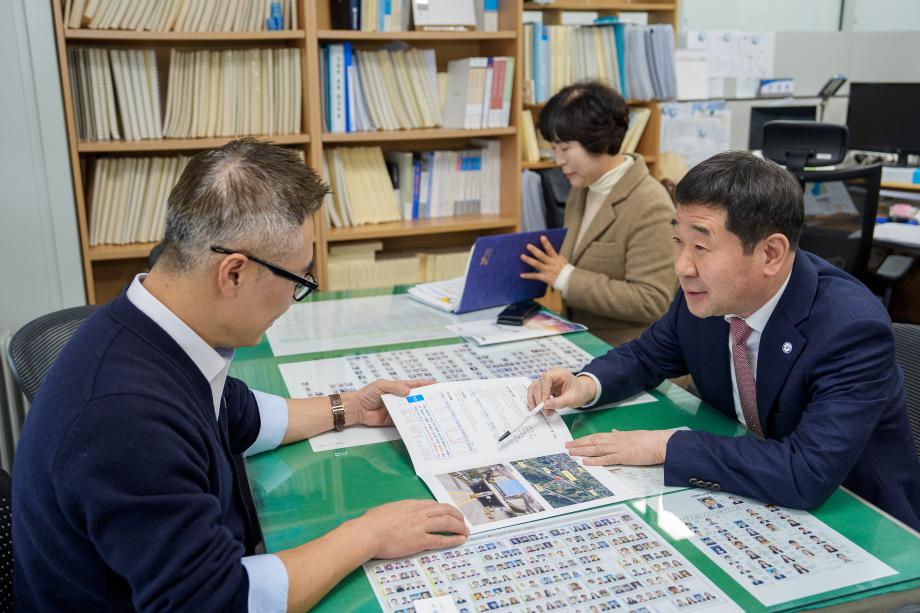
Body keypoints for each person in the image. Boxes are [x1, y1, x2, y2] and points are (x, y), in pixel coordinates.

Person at [13, 139, 468, 611]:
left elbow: (235, 412)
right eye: (299, 280)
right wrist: (368, 534)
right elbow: (219, 600)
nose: (296, 298)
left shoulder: (147, 327)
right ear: (233, 273)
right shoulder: (125, 418)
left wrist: (349, 406)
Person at [527, 150, 920, 530]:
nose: (682, 266)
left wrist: (668, 446)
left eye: (701, 247)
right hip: (749, 501)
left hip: (863, 521)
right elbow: (649, 356)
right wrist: (586, 383)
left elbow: (807, 472)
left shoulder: (850, 328)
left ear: (770, 253)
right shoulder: (707, 296)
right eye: (678, 241)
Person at [519, 80, 677, 346]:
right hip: (581, 341)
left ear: (599, 140)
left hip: (630, 355)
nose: (558, 160)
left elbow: (652, 300)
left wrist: (566, 277)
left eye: (566, 148)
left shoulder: (650, 204)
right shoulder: (583, 187)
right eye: (554, 148)